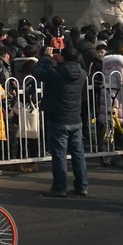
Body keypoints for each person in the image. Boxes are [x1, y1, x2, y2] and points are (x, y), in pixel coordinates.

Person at [34, 46, 89, 197]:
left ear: (62, 57)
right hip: (75, 117)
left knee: (59, 154)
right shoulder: (83, 74)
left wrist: (46, 57)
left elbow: (36, 72)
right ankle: (82, 185)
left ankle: (59, 187)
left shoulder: (55, 73)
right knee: (78, 154)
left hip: (58, 118)